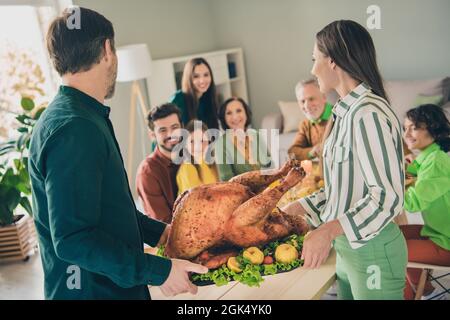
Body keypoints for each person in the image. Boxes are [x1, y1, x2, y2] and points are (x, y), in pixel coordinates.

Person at [29, 7, 207, 300]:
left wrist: (161, 233)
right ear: (107, 49)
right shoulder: (75, 128)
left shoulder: (82, 115)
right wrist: (158, 270)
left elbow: (106, 211)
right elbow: (74, 239)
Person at [282, 20, 407, 300]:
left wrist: (326, 231)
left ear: (333, 60)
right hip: (349, 249)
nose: (313, 69)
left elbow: (386, 197)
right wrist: (297, 208)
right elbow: (347, 191)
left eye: (315, 59)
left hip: (373, 250)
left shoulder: (368, 114)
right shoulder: (344, 112)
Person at [400, 104, 450, 300]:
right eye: (405, 128)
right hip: (439, 231)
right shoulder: (432, 154)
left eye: (413, 127)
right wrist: (407, 165)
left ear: (432, 127)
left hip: (446, 242)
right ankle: (427, 291)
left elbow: (413, 202)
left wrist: (386, 192)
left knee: (390, 250)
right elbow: (416, 169)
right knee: (392, 235)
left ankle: (409, 295)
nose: (406, 134)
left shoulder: (436, 162)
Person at [136, 103, 183, 223]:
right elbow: (164, 224)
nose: (170, 134)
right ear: (152, 135)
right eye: (163, 130)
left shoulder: (193, 155)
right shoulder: (147, 172)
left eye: (174, 127)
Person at [215, 97, 272, 181]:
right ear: (224, 118)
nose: (235, 117)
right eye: (229, 113)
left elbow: (270, 165)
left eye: (239, 110)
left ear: (246, 113)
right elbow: (227, 180)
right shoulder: (221, 144)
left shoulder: (256, 135)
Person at [288, 78, 333, 160]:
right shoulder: (305, 124)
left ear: (324, 97)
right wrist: (312, 151)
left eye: (311, 99)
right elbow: (292, 152)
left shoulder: (338, 117)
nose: (307, 106)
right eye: (302, 101)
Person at [169, 57, 219, 130]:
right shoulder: (178, 99)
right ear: (188, 78)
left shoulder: (208, 97)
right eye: (196, 76)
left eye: (206, 75)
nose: (202, 81)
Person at [176, 120, 218, 195]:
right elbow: (196, 197)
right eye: (192, 141)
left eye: (202, 141)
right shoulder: (187, 167)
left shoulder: (212, 164)